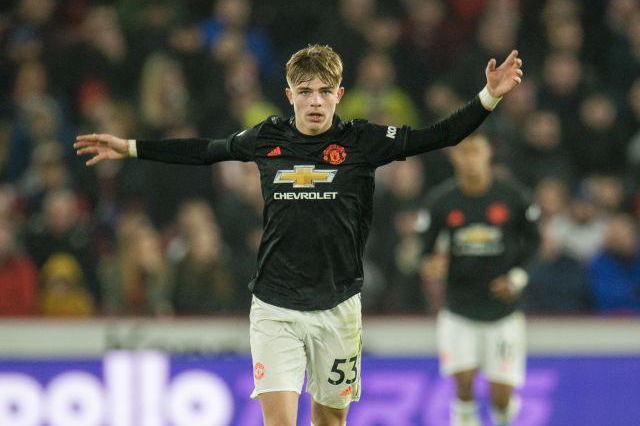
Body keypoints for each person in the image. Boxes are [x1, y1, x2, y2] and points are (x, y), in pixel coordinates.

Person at [75, 44, 523, 426]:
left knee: (329, 420)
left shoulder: (362, 141)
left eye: (325, 92)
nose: (315, 102)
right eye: (305, 92)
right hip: (275, 306)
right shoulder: (267, 137)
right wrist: (130, 147)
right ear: (290, 95)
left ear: (339, 95)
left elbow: (441, 135)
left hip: (338, 306)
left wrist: (489, 96)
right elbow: (205, 151)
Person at [420, 133, 540, 426]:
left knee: (500, 397)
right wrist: (430, 265)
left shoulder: (514, 196)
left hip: (502, 311)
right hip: (458, 308)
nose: (470, 159)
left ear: (488, 154)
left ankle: (505, 413)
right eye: (464, 152)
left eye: (476, 151)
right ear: (453, 157)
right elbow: (425, 250)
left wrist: (516, 278)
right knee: (463, 383)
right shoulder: (440, 201)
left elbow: (534, 243)